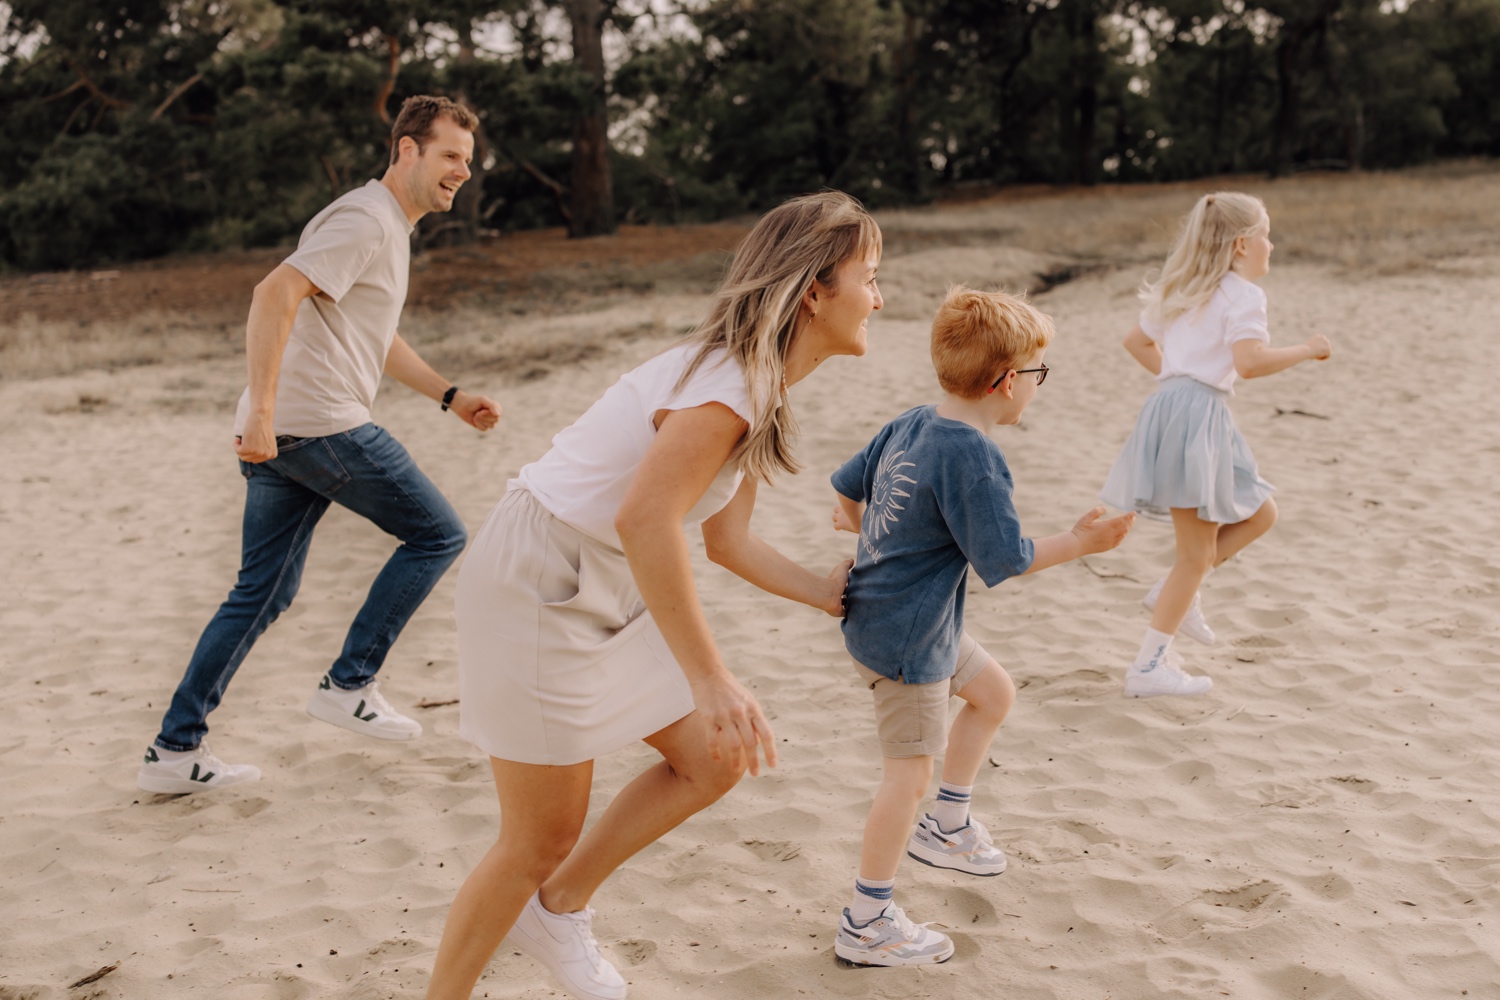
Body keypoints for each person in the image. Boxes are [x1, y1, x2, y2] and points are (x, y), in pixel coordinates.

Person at [424, 191, 878, 1000]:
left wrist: (827, 594)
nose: (880, 297)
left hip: (601, 575)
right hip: (541, 576)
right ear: (815, 290)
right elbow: (645, 519)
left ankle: (556, 913)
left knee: (712, 757)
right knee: (537, 837)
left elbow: (722, 539)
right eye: (870, 277)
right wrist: (711, 677)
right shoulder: (729, 387)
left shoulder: (757, 387)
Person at [136, 95, 502, 795]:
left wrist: (449, 397)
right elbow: (273, 293)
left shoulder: (384, 226)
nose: (462, 170)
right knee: (437, 535)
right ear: (407, 150)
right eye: (450, 155)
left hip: (289, 431)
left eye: (468, 160)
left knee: (261, 594)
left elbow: (372, 332)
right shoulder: (367, 219)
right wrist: (265, 414)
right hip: (317, 425)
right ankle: (349, 683)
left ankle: (174, 751)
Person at [826, 286, 1135, 967]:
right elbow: (1006, 561)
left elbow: (846, 489)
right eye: (1036, 374)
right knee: (906, 776)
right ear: (1003, 382)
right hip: (905, 640)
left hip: (900, 617)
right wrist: (1084, 542)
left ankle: (949, 822)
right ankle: (867, 918)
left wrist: (861, 533)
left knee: (993, 693)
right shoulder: (972, 455)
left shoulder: (912, 422)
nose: (1037, 387)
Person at [1099, 191, 1331, 698]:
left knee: (1261, 512)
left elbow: (1135, 341)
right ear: (1244, 244)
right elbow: (1249, 363)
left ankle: (1174, 590)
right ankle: (1148, 667)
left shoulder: (1186, 287)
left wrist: (1178, 379)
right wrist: (1307, 350)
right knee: (1194, 555)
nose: (1272, 245)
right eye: (1267, 235)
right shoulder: (1243, 295)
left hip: (1180, 410)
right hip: (1195, 414)